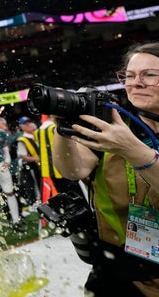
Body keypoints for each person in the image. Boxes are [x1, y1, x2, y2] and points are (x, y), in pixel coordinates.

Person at [53, 42, 159, 295]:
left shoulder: (119, 134)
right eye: (129, 76)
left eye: (149, 75)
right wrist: (63, 129)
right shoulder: (112, 123)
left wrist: (132, 150)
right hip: (118, 268)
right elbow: (74, 170)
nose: (136, 83)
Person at [15, 116, 41, 212]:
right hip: (30, 168)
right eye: (26, 124)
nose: (29, 125)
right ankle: (35, 206)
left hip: (39, 167)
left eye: (29, 123)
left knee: (39, 186)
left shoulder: (36, 135)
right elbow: (23, 156)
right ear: (22, 127)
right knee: (34, 188)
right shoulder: (22, 139)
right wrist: (38, 159)